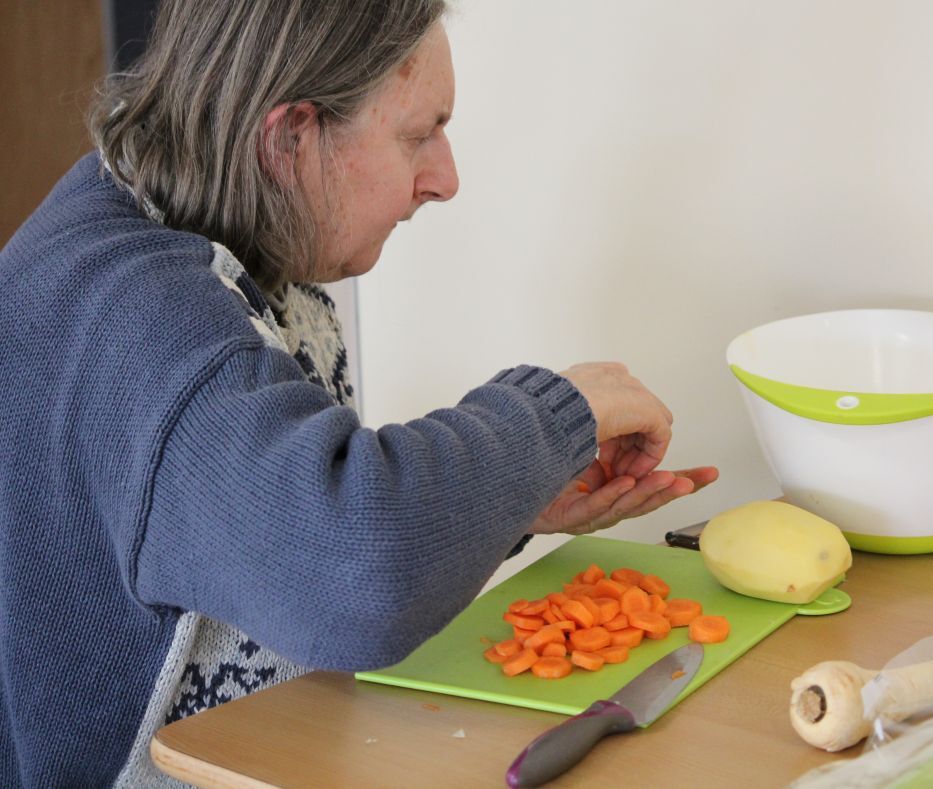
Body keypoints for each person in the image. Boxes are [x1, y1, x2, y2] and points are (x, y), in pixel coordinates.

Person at [0, 1, 718, 785]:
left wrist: (509, 502)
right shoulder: (150, 326)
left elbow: (267, 527)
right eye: (419, 134)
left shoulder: (134, 221)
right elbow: (352, 571)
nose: (445, 178)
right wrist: (554, 413)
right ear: (291, 138)